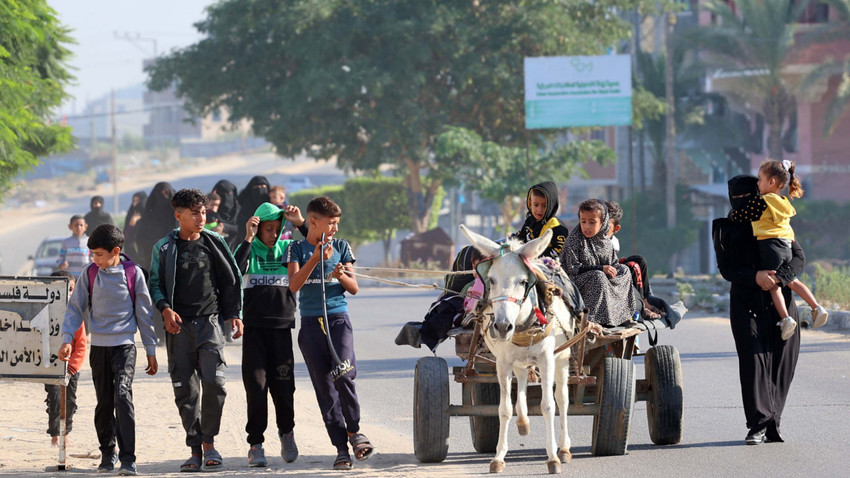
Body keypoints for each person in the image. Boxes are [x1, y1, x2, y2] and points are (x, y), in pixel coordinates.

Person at [149, 188, 244, 472]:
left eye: (203, 212)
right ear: (178, 216)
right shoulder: (163, 248)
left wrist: (234, 314)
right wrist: (165, 309)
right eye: (194, 213)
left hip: (210, 324)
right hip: (178, 329)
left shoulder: (214, 242)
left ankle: (209, 443)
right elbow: (155, 283)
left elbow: (232, 277)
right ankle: (195, 450)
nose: (201, 217)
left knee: (215, 384)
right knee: (185, 390)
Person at [58, 224, 158, 475]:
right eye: (92, 254)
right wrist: (67, 338)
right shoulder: (90, 273)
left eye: (99, 254)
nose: (95, 259)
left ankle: (128, 458)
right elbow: (75, 308)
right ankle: (107, 452)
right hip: (99, 348)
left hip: (124, 347)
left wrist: (150, 348)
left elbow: (144, 314)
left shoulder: (133, 274)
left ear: (116, 251)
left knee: (122, 397)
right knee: (104, 402)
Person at [714, 174, 805, 445]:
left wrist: (780, 276)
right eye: (737, 197)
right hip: (746, 302)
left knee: (781, 362)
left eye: (748, 196)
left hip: (781, 303)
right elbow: (726, 269)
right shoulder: (725, 227)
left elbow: (798, 257)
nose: (743, 202)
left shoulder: (774, 217)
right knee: (753, 362)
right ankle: (757, 424)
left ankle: (773, 423)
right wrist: (755, 277)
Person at [286, 196, 374, 470]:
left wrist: (340, 276)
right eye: (331, 223)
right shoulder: (295, 249)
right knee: (324, 389)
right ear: (313, 222)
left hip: (338, 320)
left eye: (337, 223)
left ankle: (355, 432)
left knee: (344, 374)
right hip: (311, 325)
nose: (335, 229)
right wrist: (314, 259)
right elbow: (294, 285)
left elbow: (354, 287)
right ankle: (341, 449)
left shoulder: (342, 247)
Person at [234, 202, 306, 467]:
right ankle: (256, 444)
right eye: (268, 229)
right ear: (258, 227)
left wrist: (299, 223)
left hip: (281, 329)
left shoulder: (289, 250)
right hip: (254, 331)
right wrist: (248, 237)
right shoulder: (248, 249)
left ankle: (287, 433)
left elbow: (317, 243)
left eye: (277, 229)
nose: (273, 234)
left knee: (284, 387)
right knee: (256, 388)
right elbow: (233, 272)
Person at [728, 159, 828, 339]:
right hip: (787, 245)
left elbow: (743, 215)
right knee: (792, 280)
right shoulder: (784, 202)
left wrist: (732, 215)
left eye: (759, 179)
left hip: (770, 246)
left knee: (773, 285)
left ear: (771, 182)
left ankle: (786, 319)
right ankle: (816, 308)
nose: (757, 183)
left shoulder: (763, 201)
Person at [561, 199, 640, 326]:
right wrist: (601, 268)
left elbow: (613, 263)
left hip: (601, 278)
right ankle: (593, 319)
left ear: (602, 223)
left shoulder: (605, 241)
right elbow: (572, 268)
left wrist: (612, 270)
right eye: (583, 221)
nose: (586, 226)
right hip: (573, 282)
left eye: (592, 222)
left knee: (624, 270)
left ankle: (622, 316)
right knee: (599, 276)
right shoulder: (574, 240)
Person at [394, 245, 485, 352]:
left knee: (446, 305)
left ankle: (425, 332)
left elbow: (469, 306)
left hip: (474, 315)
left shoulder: (476, 283)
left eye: (475, 267)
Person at [46, 270, 86, 447]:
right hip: (51, 366)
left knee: (70, 400)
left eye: (72, 289)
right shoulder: (44, 313)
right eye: (65, 289)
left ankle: (66, 433)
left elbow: (81, 346)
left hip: (70, 368)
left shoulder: (75, 315)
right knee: (54, 399)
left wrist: (71, 369)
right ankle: (55, 435)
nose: (69, 294)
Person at [605, 200, 662, 319]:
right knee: (632, 266)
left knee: (639, 260)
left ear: (615, 229)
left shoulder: (614, 241)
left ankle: (646, 299)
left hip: (612, 267)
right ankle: (641, 307)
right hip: (603, 271)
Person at [514, 181, 569, 261]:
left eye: (544, 206)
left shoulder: (557, 226)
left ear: (551, 206)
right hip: (531, 264)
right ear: (530, 204)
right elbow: (521, 237)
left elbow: (561, 251)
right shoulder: (530, 221)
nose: (539, 210)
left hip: (550, 267)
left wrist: (537, 255)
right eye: (536, 205)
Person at [133, 182, 177, 272]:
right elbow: (140, 237)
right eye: (162, 194)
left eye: (166, 193)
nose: (164, 197)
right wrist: (156, 245)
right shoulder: (148, 215)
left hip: (174, 259)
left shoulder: (175, 214)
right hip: (152, 259)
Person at [236, 176, 271, 243]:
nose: (260, 190)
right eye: (257, 187)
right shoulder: (243, 208)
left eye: (263, 187)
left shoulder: (273, 206)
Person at [211, 179, 240, 249]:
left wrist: (224, 227)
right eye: (222, 193)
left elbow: (242, 228)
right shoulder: (211, 211)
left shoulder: (241, 211)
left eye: (228, 193)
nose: (226, 197)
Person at [122, 191, 147, 260]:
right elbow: (125, 237)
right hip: (132, 253)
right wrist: (132, 223)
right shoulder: (131, 215)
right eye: (134, 201)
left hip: (146, 253)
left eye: (138, 201)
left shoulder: (149, 216)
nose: (135, 203)